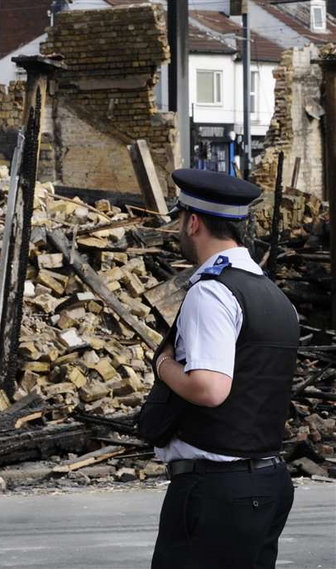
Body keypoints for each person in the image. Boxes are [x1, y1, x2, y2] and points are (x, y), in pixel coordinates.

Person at [142, 169, 299, 569]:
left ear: (193, 222)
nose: (180, 228)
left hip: (216, 489)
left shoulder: (213, 291)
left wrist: (162, 364)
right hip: (266, 481)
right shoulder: (274, 296)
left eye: (181, 219)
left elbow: (210, 389)